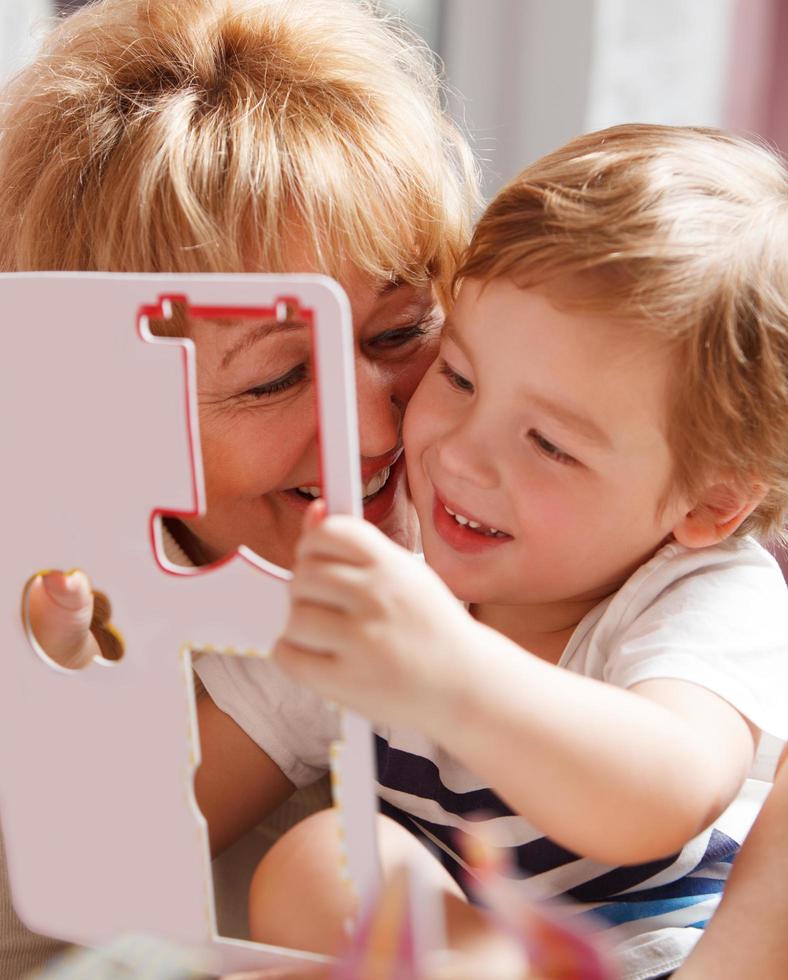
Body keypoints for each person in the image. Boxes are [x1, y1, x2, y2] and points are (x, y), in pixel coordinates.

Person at [242, 125, 788, 980]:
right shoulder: (393, 565)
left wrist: (448, 668)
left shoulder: (706, 594)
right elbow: (166, 806)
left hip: (680, 955)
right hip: (491, 955)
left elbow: (662, 796)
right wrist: (86, 646)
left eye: (549, 444)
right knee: (324, 861)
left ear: (711, 503)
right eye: (456, 378)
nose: (459, 455)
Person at [0, 0, 478, 974]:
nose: (376, 432)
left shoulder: (530, 534)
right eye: (272, 377)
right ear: (103, 400)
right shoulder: (49, 598)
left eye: (399, 335)